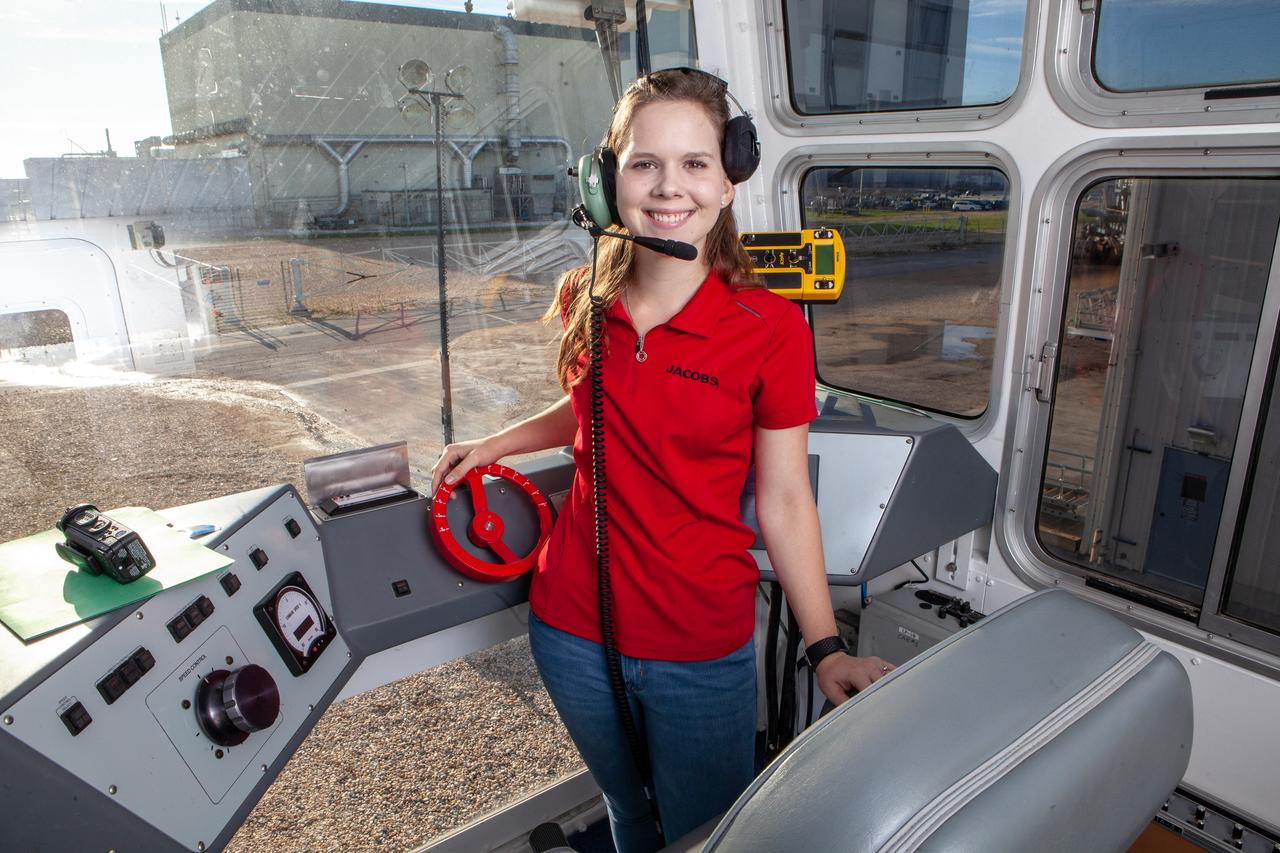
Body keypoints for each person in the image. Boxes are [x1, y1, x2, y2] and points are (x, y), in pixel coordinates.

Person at [431, 68, 893, 852]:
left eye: (694, 162)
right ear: (609, 181)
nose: (668, 186)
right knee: (627, 813)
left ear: (728, 180)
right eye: (645, 163)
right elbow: (592, 408)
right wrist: (500, 441)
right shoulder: (587, 295)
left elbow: (784, 499)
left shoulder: (769, 328)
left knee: (704, 831)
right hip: (570, 625)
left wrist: (825, 649)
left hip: (698, 646)